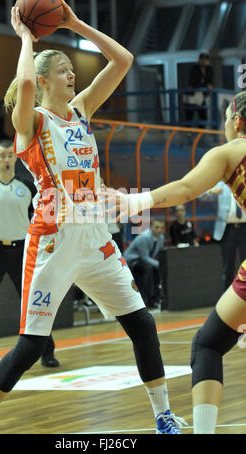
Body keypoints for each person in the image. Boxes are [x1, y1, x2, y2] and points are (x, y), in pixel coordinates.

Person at [0, 0, 186, 435]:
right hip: (52, 239)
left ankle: (162, 416)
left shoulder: (81, 112)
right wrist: (26, 38)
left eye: (71, 70)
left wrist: (77, 23)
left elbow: (122, 59)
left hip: (95, 236)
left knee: (141, 323)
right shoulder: (32, 123)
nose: (71, 75)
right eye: (63, 71)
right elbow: (23, 88)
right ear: (45, 80)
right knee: (31, 344)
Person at [99, 90, 246, 434]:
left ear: (236, 121)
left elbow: (184, 189)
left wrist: (134, 202)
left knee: (208, 343)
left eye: (225, 117)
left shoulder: (228, 152)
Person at [0, 140, 59, 371]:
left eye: (10, 155)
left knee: (33, 303)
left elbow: (42, 217)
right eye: (2, 156)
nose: (6, 159)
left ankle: (47, 352)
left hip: (23, 252)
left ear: (15, 158)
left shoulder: (28, 185)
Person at [199, 181, 246, 291]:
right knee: (228, 265)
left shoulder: (243, 183)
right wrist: (211, 191)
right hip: (228, 229)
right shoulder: (221, 184)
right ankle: (227, 300)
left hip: (245, 227)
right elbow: (202, 197)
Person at [124, 219, 165, 308]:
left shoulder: (161, 238)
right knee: (148, 269)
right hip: (132, 261)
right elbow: (144, 257)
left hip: (144, 260)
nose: (159, 230)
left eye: (161, 228)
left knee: (156, 270)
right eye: (157, 227)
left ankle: (155, 298)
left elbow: (157, 254)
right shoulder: (144, 238)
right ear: (151, 227)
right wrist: (159, 264)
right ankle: (145, 299)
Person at [185, 52, 214, 128]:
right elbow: (194, 81)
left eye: (205, 60)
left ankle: (201, 132)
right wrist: (205, 85)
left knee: (203, 114)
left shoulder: (209, 69)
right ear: (199, 60)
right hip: (192, 94)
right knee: (189, 114)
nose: (204, 61)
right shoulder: (194, 68)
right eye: (202, 60)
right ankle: (187, 132)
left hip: (201, 95)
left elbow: (210, 80)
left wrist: (208, 85)